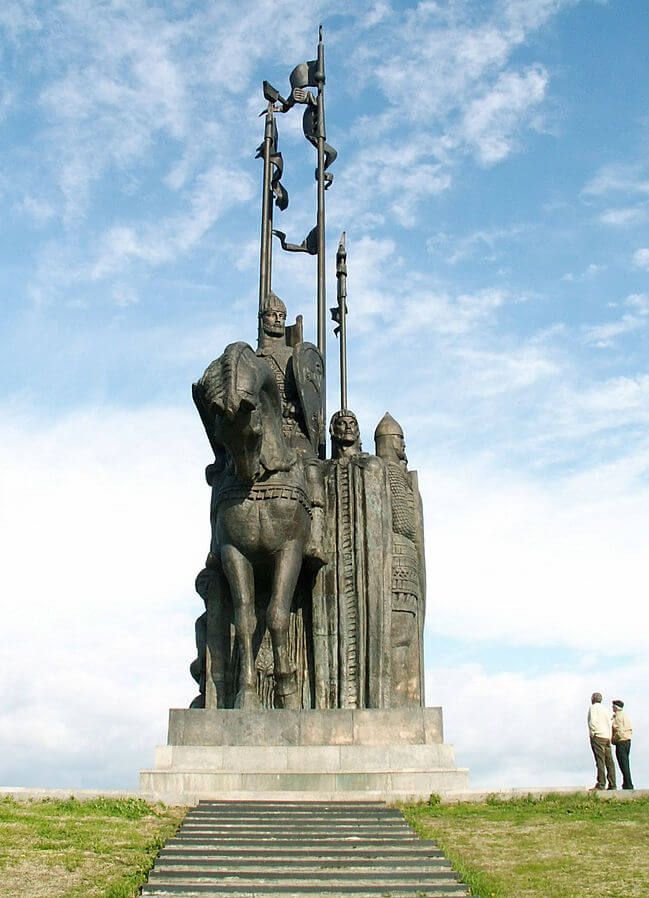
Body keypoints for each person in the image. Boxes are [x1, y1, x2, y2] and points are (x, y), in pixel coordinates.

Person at [588, 692, 616, 790]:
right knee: (609, 762)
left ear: (593, 699)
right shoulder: (605, 709)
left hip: (598, 736)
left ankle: (601, 783)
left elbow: (592, 722)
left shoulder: (593, 708)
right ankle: (612, 784)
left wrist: (593, 734)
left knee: (600, 760)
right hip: (607, 736)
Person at [612, 699, 634, 790]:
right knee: (626, 763)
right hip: (628, 741)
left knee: (623, 764)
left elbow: (619, 730)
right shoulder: (625, 716)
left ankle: (628, 784)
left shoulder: (618, 717)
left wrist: (614, 740)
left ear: (616, 707)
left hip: (621, 741)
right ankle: (626, 783)